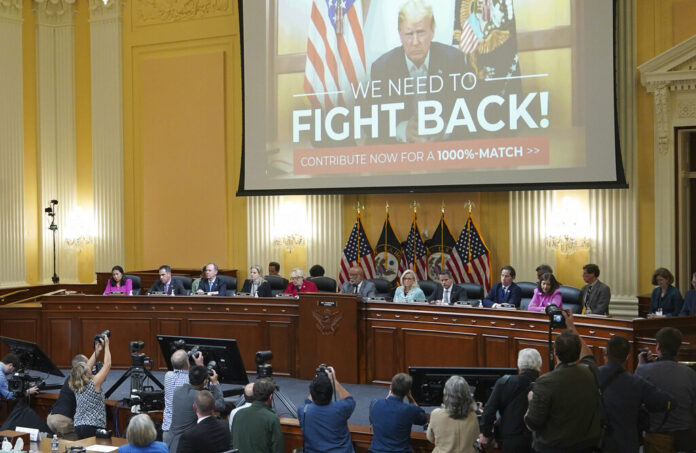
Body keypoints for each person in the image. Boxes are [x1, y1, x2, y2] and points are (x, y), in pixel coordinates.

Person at [370, 0, 476, 144]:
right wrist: (402, 129)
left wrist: (445, 129)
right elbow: (374, 124)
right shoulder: (382, 68)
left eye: (421, 32)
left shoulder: (453, 60)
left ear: (433, 31)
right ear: (399, 34)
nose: (415, 42)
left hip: (445, 150)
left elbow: (469, 112)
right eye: (408, 34)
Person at [524, 311, 601, 453]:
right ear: (578, 352)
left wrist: (531, 400)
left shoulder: (545, 382)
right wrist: (571, 327)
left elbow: (532, 424)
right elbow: (588, 355)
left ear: (554, 352)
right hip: (586, 447)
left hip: (554, 448)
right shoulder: (590, 372)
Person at [599, 336, 670, 453]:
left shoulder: (591, 376)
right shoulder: (636, 382)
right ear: (628, 356)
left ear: (605, 352)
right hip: (627, 444)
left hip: (599, 443)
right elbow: (667, 402)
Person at [635, 327, 696, 452]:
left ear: (658, 347)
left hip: (657, 436)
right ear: (678, 349)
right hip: (686, 437)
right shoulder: (690, 374)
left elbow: (634, 402)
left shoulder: (644, 371)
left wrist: (639, 367)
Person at [479, 348, 542, 453]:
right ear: (539, 364)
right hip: (538, 442)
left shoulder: (504, 382)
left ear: (519, 365)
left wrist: (486, 434)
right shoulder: (545, 385)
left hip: (511, 441)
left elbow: (489, 410)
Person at [166, 365, 225, 453]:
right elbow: (221, 405)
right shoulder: (198, 397)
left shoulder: (177, 391)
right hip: (185, 445)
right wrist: (215, 383)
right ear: (205, 381)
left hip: (170, 442)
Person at [298, 366, 356, 453]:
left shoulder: (303, 411)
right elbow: (349, 399)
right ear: (331, 392)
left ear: (312, 392)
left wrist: (316, 382)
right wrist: (334, 381)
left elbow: (308, 401)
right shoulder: (341, 408)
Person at [369, 372, 427, 453]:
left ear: (390, 387)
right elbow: (423, 419)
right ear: (408, 391)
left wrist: (388, 396)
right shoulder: (411, 410)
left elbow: (373, 418)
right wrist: (411, 398)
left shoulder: (375, 403)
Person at [70, 334, 111, 439]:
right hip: (93, 427)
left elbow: (87, 366)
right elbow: (107, 365)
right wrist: (106, 346)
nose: (90, 367)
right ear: (86, 373)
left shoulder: (76, 383)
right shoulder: (94, 383)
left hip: (78, 426)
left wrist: (97, 351)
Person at [426, 375, 479, 453]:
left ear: (446, 394)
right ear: (467, 394)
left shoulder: (436, 414)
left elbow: (431, 438)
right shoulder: (473, 415)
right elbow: (475, 438)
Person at [162, 349, 204, 444]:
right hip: (184, 433)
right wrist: (200, 366)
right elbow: (204, 383)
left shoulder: (168, 376)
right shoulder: (189, 379)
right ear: (187, 363)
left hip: (167, 430)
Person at [231, 379, 283, 453]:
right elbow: (277, 448)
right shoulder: (271, 418)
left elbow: (232, 443)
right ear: (271, 396)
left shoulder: (238, 414)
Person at [46, 354, 88, 440]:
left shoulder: (70, 377)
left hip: (51, 418)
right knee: (76, 446)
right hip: (63, 421)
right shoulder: (80, 380)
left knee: (60, 445)